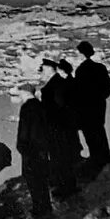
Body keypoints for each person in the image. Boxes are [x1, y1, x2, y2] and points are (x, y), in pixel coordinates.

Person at [13, 82, 53, 219]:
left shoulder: (26, 108)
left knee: (33, 180)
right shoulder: (41, 105)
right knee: (42, 180)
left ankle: (39, 209)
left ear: (25, 93)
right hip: (42, 149)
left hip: (30, 150)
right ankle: (46, 207)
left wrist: (21, 147)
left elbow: (24, 131)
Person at [72, 41, 110, 171]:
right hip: (99, 105)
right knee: (100, 130)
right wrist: (101, 98)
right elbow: (107, 87)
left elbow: (78, 91)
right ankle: (104, 156)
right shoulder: (100, 67)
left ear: (81, 53)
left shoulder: (81, 70)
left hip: (86, 107)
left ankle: (96, 158)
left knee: (90, 132)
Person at [41, 59, 79, 199]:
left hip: (57, 130)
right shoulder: (59, 83)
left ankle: (65, 188)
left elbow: (59, 107)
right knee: (63, 158)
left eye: (43, 68)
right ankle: (68, 185)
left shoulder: (54, 86)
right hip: (62, 129)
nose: (42, 71)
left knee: (59, 158)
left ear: (50, 69)